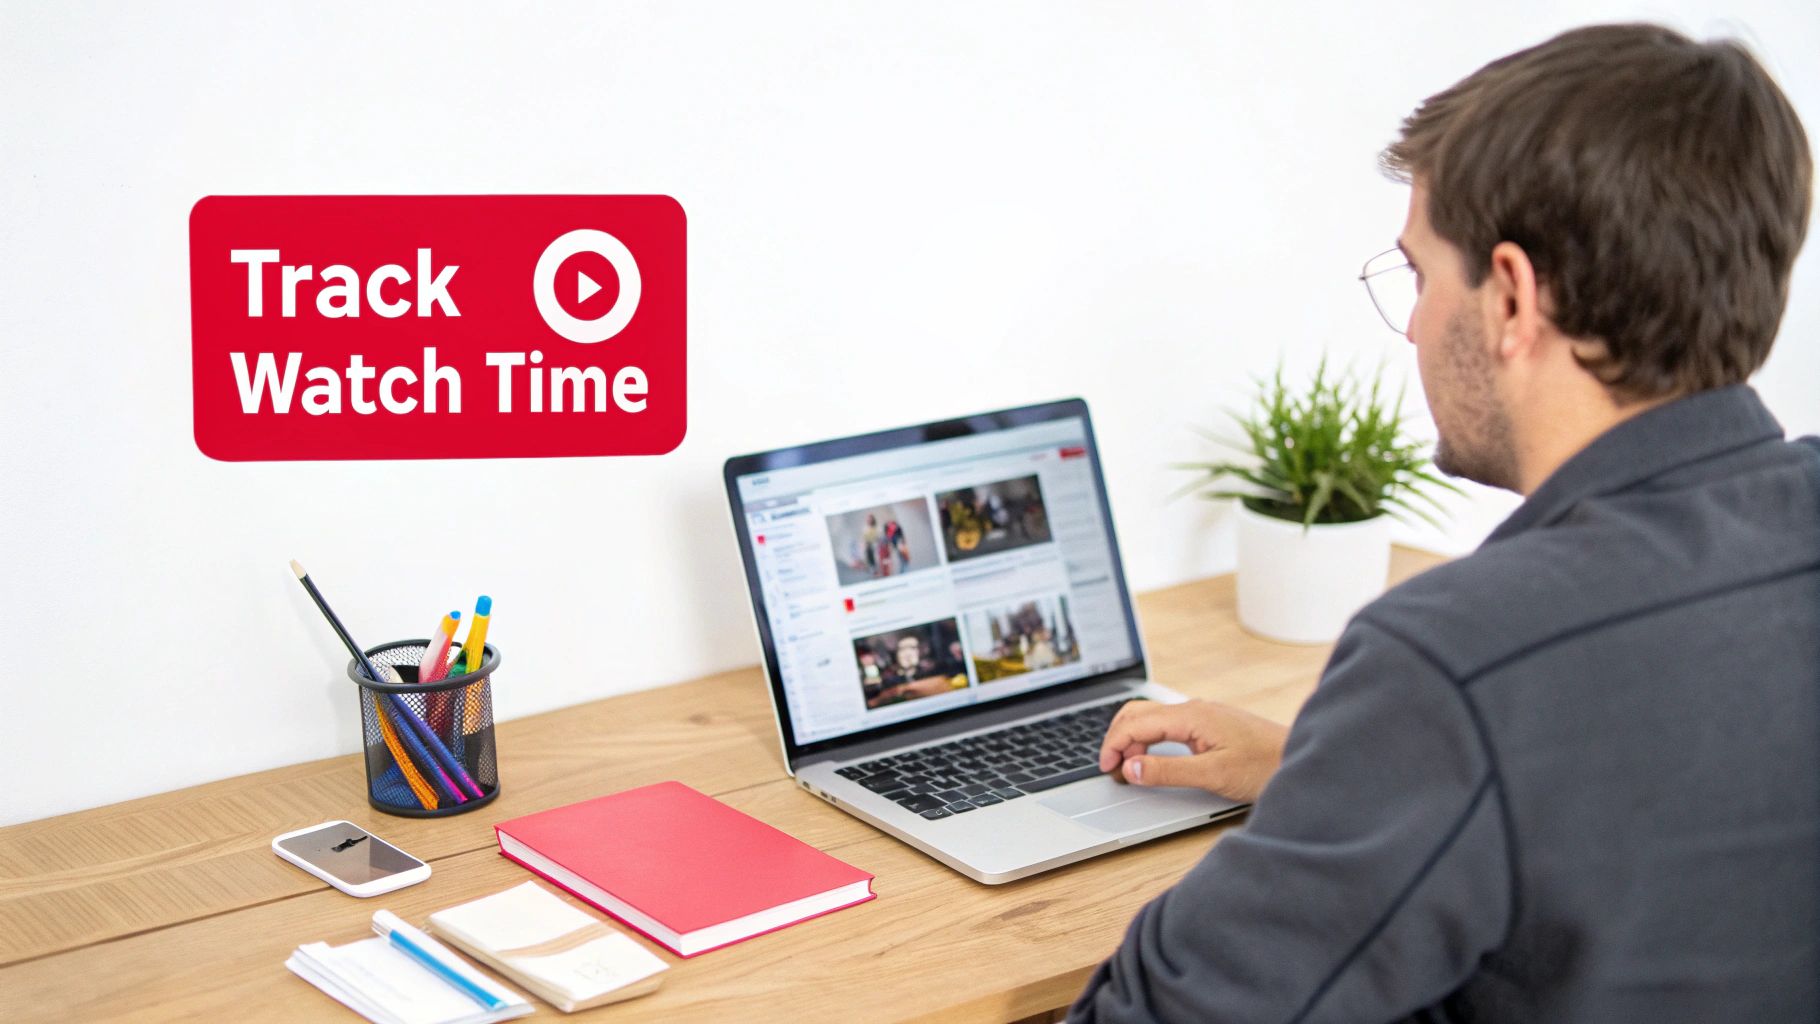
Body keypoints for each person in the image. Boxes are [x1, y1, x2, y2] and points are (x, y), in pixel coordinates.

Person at [1072, 23, 1816, 1022]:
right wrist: (1328, 771)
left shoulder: (1459, 656)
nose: (1414, 324)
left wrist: (1377, 770)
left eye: (1418, 276)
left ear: (1509, 296)